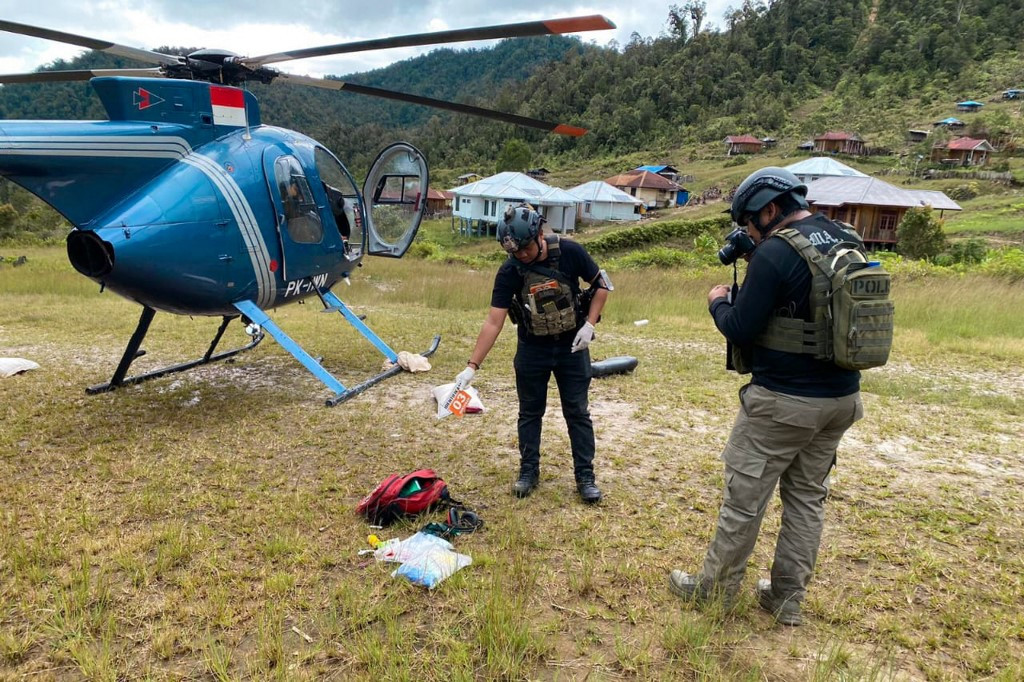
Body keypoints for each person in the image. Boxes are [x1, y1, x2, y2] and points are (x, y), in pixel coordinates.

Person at [668, 167, 865, 626]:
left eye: (749, 224)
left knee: (744, 500)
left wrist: (718, 299)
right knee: (806, 499)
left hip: (782, 402)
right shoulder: (843, 236)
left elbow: (739, 326)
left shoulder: (776, 253)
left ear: (770, 210)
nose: (748, 234)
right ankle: (786, 600)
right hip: (841, 400)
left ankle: (715, 593)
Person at [451, 204, 611, 504]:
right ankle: (528, 472)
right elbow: (494, 320)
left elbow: (602, 285)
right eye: (515, 251)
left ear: (539, 233)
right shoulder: (510, 270)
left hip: (571, 347)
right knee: (529, 413)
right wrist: (471, 367)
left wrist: (589, 325)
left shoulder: (570, 252)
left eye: (525, 248)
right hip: (532, 348)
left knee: (577, 412)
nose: (521, 255)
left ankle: (585, 477)